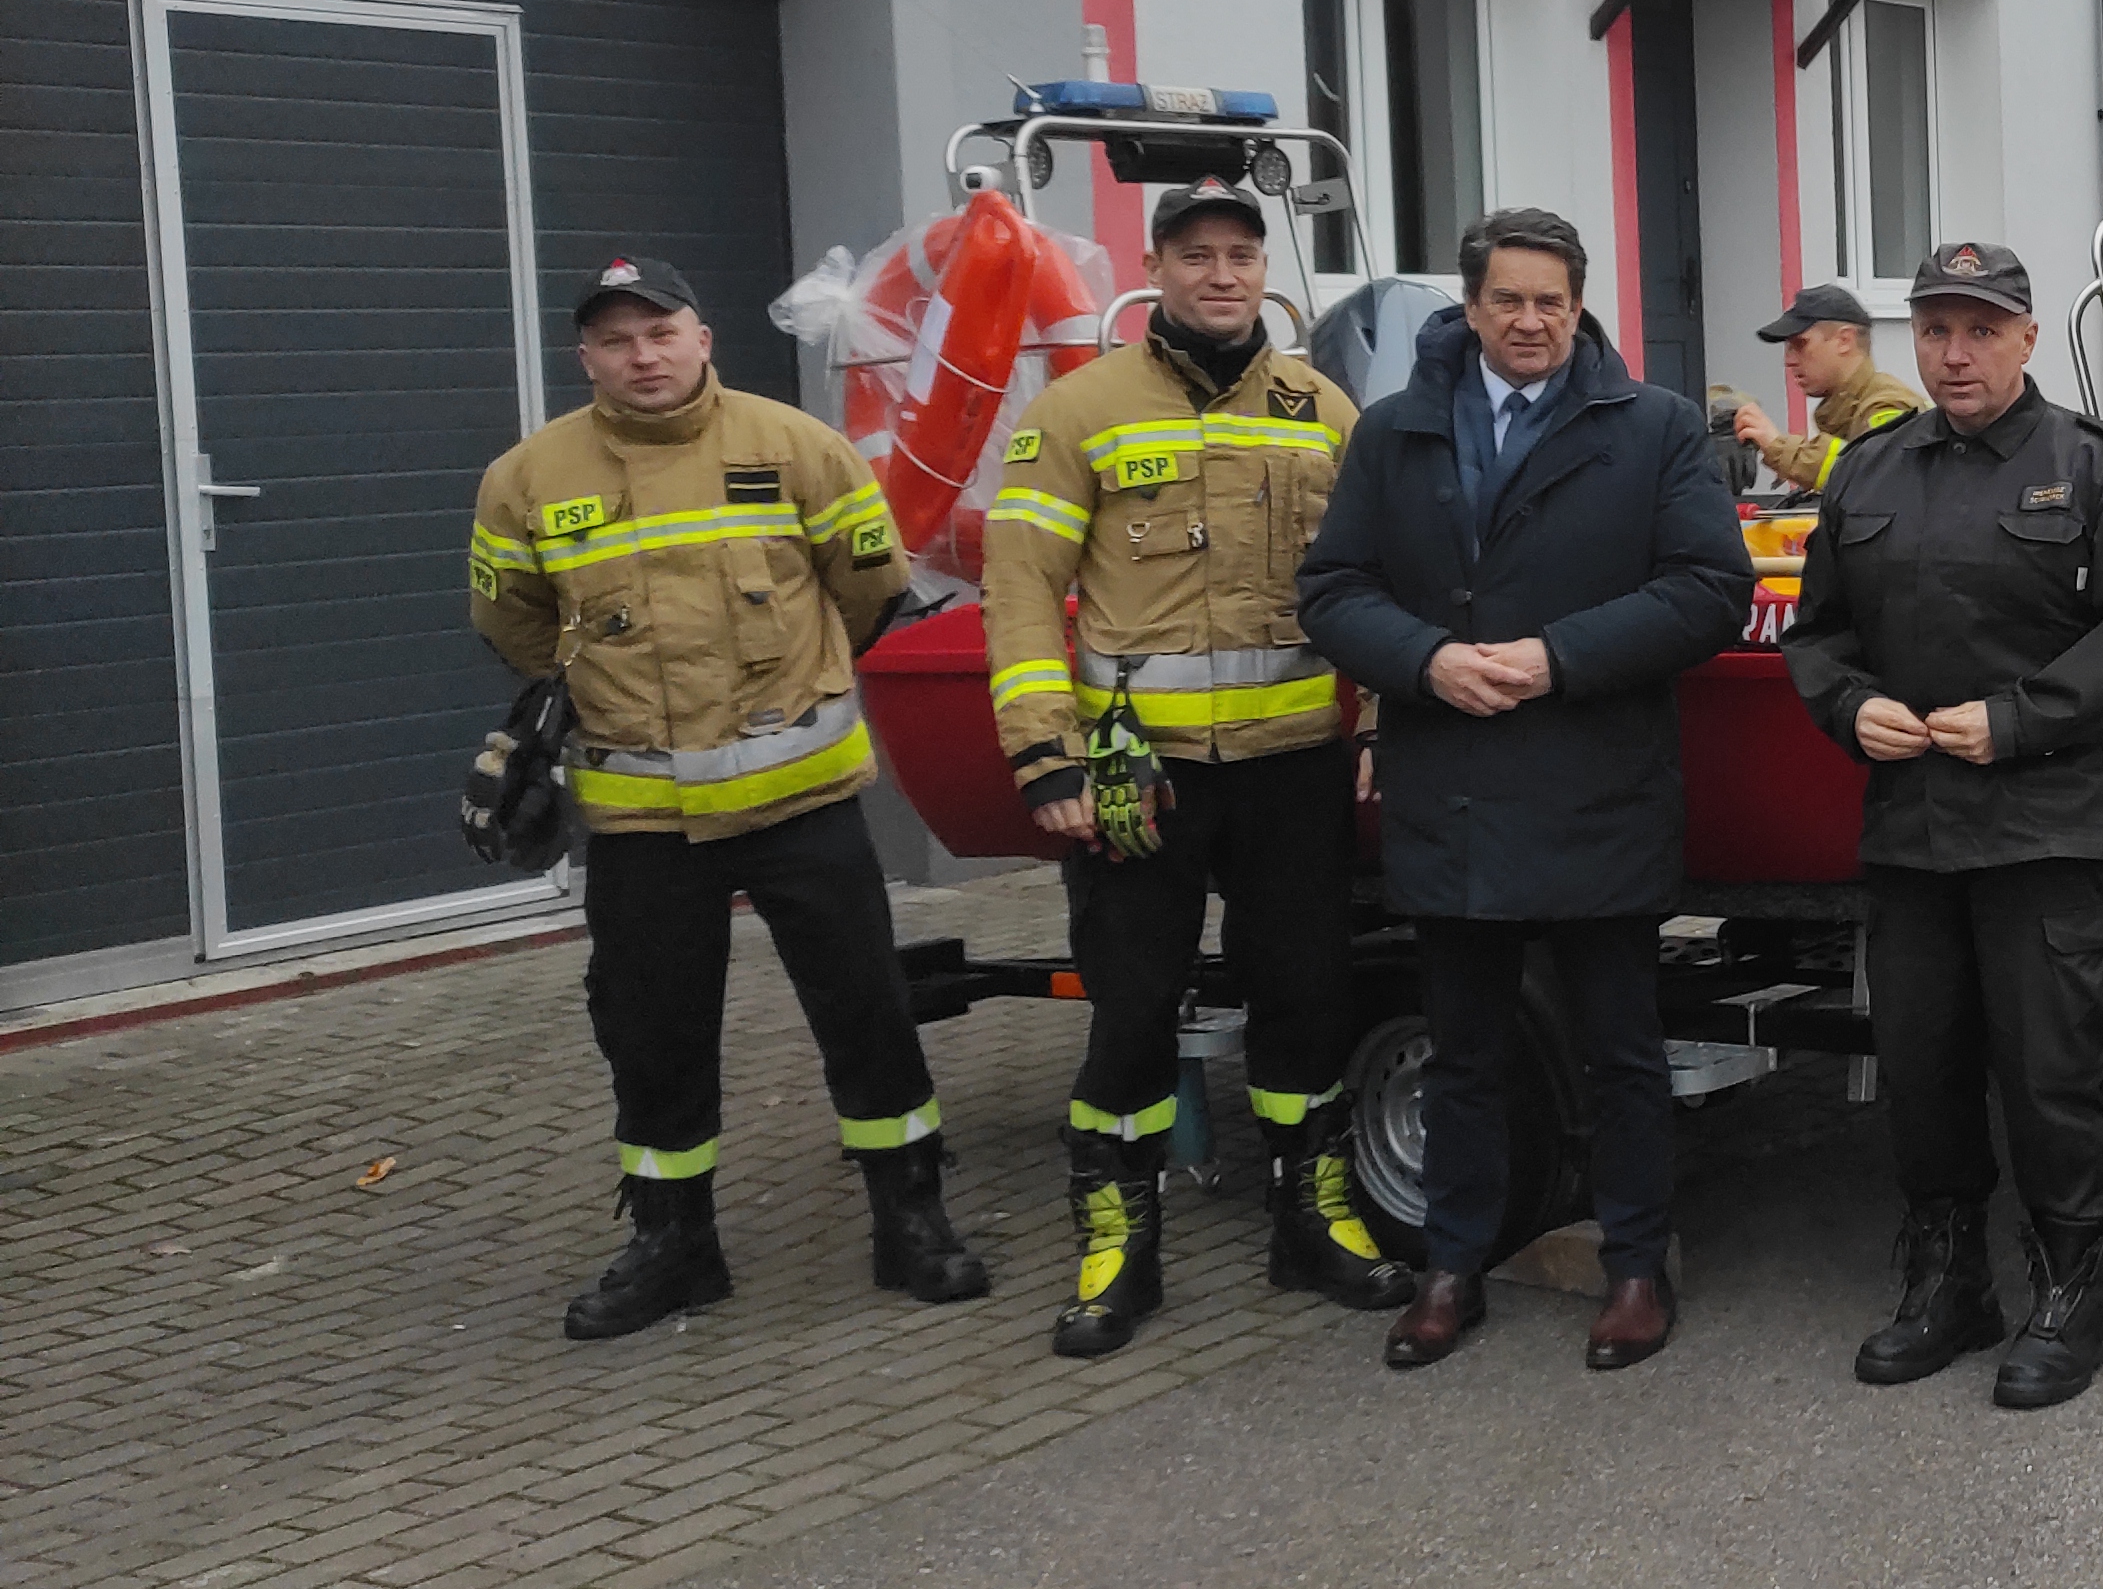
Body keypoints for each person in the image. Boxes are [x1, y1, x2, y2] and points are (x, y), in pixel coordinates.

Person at [465, 255, 986, 1340]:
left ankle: (912, 1222)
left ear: (704, 338)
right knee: (652, 1037)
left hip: (803, 804)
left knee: (868, 1016)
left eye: (659, 331)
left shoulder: (795, 446)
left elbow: (871, 586)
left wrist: (794, 684)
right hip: (643, 824)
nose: (640, 356)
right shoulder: (526, 478)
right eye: (615, 340)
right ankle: (672, 1246)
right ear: (585, 358)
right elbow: (513, 624)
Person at [1297, 208, 1752, 1373]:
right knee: (1463, 1051)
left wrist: (1557, 655)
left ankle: (1636, 1265)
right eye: (1509, 299)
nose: (1532, 320)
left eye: (1552, 298)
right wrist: (1422, 659)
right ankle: (1452, 1266)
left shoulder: (1648, 429)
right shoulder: (1397, 432)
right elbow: (1332, 588)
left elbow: (1709, 588)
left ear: (1580, 301)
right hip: (1449, 786)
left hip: (1596, 782)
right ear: (1471, 305)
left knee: (1619, 1049)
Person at [983, 182, 1407, 1359]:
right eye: (1195, 255)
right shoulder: (1077, 410)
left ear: (1264, 268)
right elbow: (1018, 588)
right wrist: (1042, 755)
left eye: (1239, 254)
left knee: (1308, 1004)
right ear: (1156, 267)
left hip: (1290, 772)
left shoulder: (1321, 407)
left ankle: (1312, 1223)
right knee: (1130, 1012)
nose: (1220, 275)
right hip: (1141, 778)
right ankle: (1117, 1247)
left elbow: (1368, 585)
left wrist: (1373, 723)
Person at [1780, 240, 2103, 1409]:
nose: (1953, 354)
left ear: (2023, 339)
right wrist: (1850, 706)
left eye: (1977, 330)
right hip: (1909, 828)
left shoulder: (2099, 471)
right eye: (1933, 331)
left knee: (2050, 1071)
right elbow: (1813, 637)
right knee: (1918, 1068)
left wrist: (2018, 721)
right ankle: (1945, 1279)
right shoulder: (1866, 473)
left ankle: (2071, 1292)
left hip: (2044, 823)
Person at [1725, 283, 1924, 496]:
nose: (1789, 360)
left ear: (1844, 340)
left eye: (1800, 344)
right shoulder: (1843, 410)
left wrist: (1778, 447)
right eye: (1787, 348)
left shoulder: (1889, 404)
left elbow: (1876, 481)